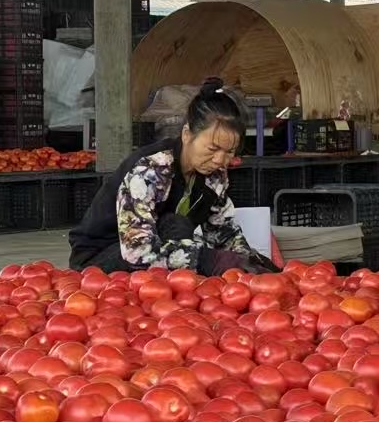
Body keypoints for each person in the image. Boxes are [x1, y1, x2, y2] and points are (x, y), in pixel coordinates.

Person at [69, 79, 273, 275]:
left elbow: (223, 234)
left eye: (230, 152)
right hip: (104, 257)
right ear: (187, 135)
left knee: (178, 227)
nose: (220, 160)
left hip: (157, 246)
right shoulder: (151, 170)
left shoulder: (214, 176)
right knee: (179, 230)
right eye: (213, 148)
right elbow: (137, 252)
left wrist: (253, 264)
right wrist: (208, 260)